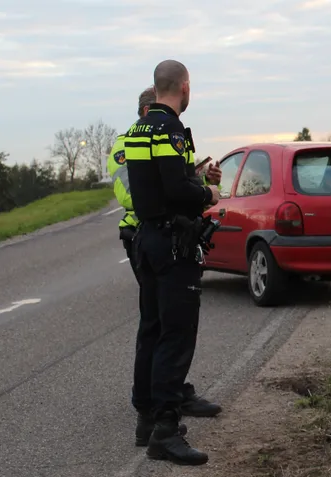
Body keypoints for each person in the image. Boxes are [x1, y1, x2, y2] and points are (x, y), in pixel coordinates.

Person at [110, 87, 224, 450]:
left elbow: (167, 181)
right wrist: (207, 194)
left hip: (148, 236)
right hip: (160, 237)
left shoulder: (140, 136)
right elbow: (158, 189)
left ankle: (153, 413)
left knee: (155, 328)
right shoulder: (159, 132)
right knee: (173, 331)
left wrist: (200, 179)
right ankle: (164, 422)